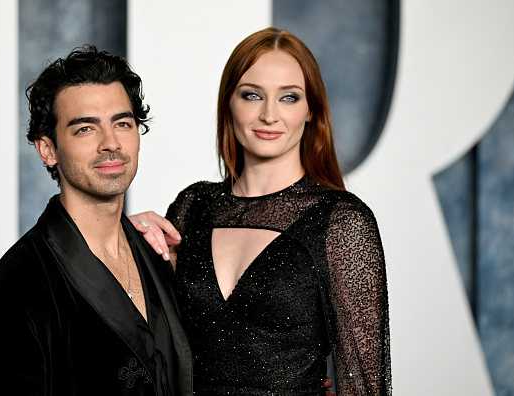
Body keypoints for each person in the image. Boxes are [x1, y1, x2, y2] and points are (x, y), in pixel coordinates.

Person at [131, 27, 392, 395]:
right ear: (229, 104)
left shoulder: (341, 220)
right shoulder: (193, 207)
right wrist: (123, 243)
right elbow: (146, 348)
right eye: (252, 95)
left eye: (288, 97)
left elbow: (365, 384)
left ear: (310, 111)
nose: (269, 115)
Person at [0, 46, 192, 396]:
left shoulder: (155, 255)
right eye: (85, 129)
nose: (110, 143)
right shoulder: (16, 287)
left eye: (123, 123)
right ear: (48, 149)